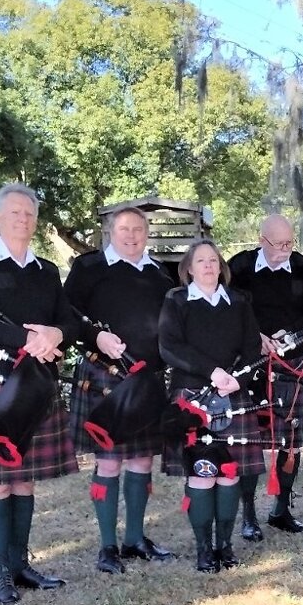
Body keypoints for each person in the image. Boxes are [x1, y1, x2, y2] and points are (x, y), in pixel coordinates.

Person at [0, 182, 80, 605]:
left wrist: (57, 333)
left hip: (37, 386)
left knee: (23, 482)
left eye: (29, 214)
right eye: (14, 214)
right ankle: (1, 573)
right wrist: (26, 339)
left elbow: (67, 319)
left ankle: (22, 565)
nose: (23, 220)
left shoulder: (46, 270)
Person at [64, 206, 178, 574]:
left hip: (147, 379)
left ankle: (134, 539)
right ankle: (107, 546)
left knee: (142, 460)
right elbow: (66, 316)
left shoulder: (159, 273)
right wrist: (95, 336)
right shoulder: (90, 268)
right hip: (105, 375)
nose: (132, 235)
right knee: (109, 461)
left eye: (139, 229)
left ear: (147, 233)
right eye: (124, 229)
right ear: (109, 231)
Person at [158, 239, 268, 572]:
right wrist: (213, 371)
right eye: (201, 261)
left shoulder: (238, 301)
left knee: (229, 474)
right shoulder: (176, 301)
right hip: (192, 397)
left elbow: (252, 348)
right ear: (189, 268)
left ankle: (226, 546)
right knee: (202, 474)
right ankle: (204, 548)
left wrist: (240, 379)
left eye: (213, 260)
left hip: (234, 394)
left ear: (221, 267)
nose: (208, 265)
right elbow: (169, 347)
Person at [227, 214, 303, 539]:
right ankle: (248, 517)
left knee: (291, 441)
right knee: (250, 443)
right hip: (249, 364)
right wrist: (256, 336)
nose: (285, 250)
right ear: (261, 240)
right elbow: (226, 310)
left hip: (290, 362)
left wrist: (288, 336)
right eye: (278, 244)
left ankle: (282, 510)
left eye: (289, 243)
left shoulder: (302, 266)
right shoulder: (238, 267)